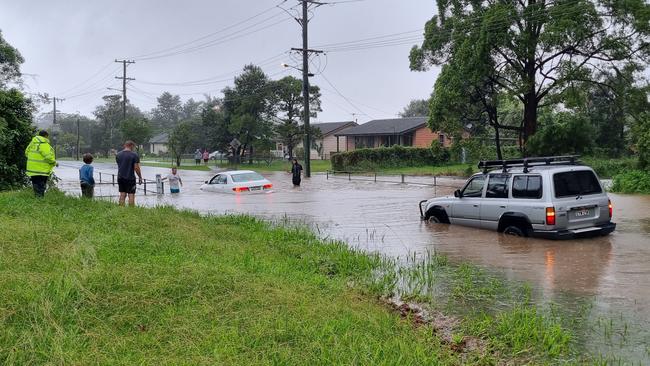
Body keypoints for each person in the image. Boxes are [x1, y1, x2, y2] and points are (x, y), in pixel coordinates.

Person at [25, 130, 57, 197]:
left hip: (32, 169)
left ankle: (37, 198)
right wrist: (54, 162)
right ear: (46, 136)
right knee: (41, 185)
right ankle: (40, 199)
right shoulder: (44, 144)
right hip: (42, 170)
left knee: (35, 184)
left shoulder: (32, 143)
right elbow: (48, 157)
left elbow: (26, 153)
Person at [115, 140, 143, 206]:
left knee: (122, 194)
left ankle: (121, 209)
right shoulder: (134, 155)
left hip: (120, 177)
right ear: (131, 146)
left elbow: (119, 165)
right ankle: (131, 210)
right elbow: (136, 168)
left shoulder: (118, 155)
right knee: (131, 194)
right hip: (130, 178)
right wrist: (140, 177)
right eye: (133, 147)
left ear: (125, 145)